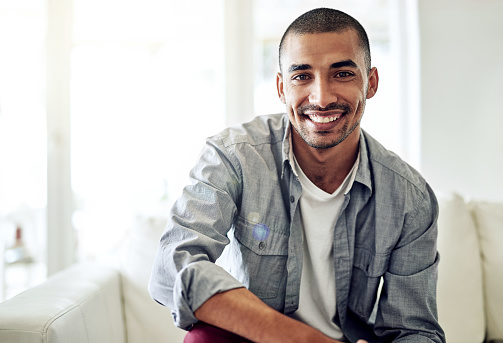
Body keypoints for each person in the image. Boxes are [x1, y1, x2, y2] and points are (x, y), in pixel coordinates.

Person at [149, 7, 445, 343]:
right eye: (302, 76)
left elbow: (416, 331)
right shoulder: (234, 156)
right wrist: (303, 340)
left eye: (343, 74)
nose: (321, 98)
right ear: (281, 87)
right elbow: (172, 269)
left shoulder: (410, 198)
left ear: (371, 82)